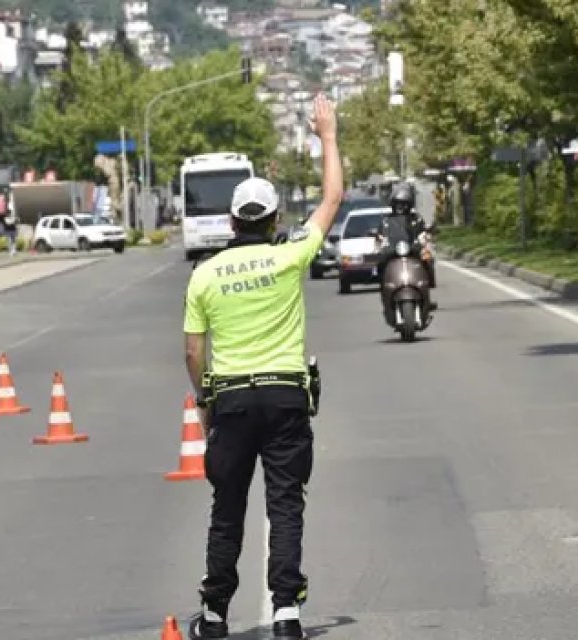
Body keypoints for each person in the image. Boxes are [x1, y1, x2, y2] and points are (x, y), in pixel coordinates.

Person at [182, 93, 342, 640]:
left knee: (227, 507)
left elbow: (192, 349)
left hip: (229, 399)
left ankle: (214, 615)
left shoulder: (205, 275)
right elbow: (333, 197)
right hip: (285, 398)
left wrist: (205, 400)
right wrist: (327, 134)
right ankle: (286, 612)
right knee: (285, 503)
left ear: (231, 219)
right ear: (274, 218)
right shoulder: (287, 256)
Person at [374, 182, 438, 311]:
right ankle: (384, 291)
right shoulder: (386, 221)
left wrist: (426, 237)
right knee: (380, 264)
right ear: (392, 204)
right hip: (392, 251)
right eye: (397, 203)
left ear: (409, 205)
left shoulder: (416, 219)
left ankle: (427, 293)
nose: (400, 207)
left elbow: (423, 233)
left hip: (413, 249)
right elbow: (380, 236)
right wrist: (380, 243)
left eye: (403, 204)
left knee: (428, 258)